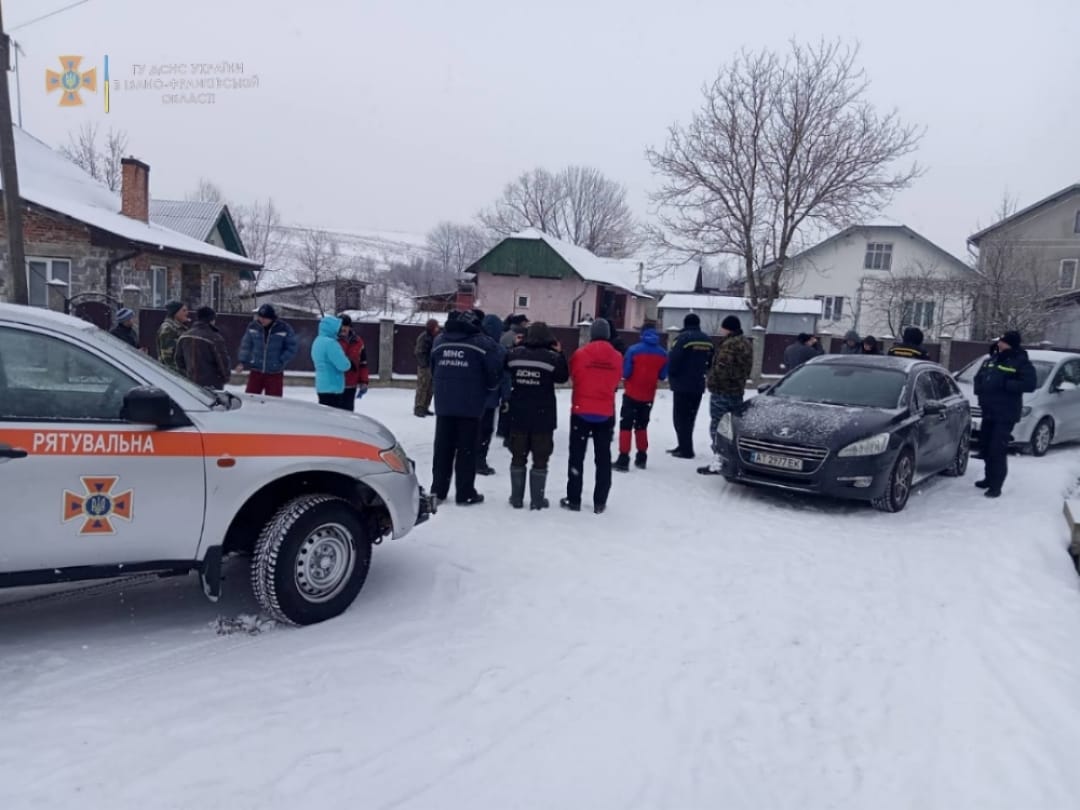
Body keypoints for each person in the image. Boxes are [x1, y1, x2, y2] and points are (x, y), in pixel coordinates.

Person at [430, 310, 503, 506]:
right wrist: (486, 391)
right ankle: (465, 493)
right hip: (470, 406)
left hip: (444, 404)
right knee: (466, 451)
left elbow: (432, 368)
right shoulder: (482, 344)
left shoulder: (439, 341)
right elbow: (493, 374)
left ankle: (438, 490)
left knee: (442, 449)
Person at [561, 318, 623, 514]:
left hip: (581, 411)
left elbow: (574, 375)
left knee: (576, 456)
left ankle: (574, 499)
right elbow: (616, 381)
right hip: (605, 412)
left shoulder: (581, 354)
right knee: (603, 458)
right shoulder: (617, 356)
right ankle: (600, 501)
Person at [506, 322, 569, 509]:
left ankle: (516, 498)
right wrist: (560, 353)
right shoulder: (552, 358)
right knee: (540, 459)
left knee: (518, 456)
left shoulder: (515, 355)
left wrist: (516, 346)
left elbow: (504, 365)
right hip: (543, 416)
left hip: (518, 414)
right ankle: (537, 500)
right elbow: (562, 377)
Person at [973, 330, 1037, 498]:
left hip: (1005, 413)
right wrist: (979, 388)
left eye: (1002, 341)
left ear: (1009, 343)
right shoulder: (993, 358)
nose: (999, 343)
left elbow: (1030, 384)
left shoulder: (1021, 361)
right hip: (988, 411)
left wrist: (1005, 384)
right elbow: (980, 376)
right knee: (986, 446)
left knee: (997, 449)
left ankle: (996, 486)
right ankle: (988, 478)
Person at [699, 316, 754, 475]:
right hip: (737, 389)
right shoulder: (745, 343)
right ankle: (733, 459)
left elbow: (722, 368)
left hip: (723, 390)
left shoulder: (730, 344)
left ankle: (720, 460)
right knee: (732, 427)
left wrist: (712, 382)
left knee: (718, 425)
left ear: (727, 328)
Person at [613, 321, 668, 472]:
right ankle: (641, 457)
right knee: (641, 426)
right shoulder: (663, 353)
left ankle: (623, 458)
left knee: (626, 426)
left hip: (631, 394)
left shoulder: (633, 350)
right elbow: (663, 376)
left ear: (642, 334)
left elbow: (626, 373)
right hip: (648, 396)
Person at [666, 313, 715, 459]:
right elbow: (712, 360)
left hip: (682, 384)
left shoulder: (682, 339)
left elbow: (674, 359)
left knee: (680, 418)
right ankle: (684, 445)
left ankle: (685, 449)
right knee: (690, 417)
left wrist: (672, 375)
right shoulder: (708, 340)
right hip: (698, 384)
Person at [236, 304, 299, 397]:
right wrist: (242, 361)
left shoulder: (284, 328)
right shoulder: (253, 326)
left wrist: (280, 360)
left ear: (272, 318)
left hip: (275, 373)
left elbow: (292, 347)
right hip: (256, 371)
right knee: (251, 399)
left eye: (265, 318)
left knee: (274, 402)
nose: (262, 320)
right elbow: (246, 345)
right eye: (260, 317)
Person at [478, 314, 510, 476]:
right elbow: (504, 377)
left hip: (473, 399)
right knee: (485, 430)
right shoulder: (499, 350)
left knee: (473, 430)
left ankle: (469, 459)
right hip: (490, 398)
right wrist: (506, 397)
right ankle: (480, 461)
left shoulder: (475, 345)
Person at [175, 306, 231, 390]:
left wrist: (187, 374)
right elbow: (222, 361)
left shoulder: (184, 336)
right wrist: (225, 377)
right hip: (211, 384)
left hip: (190, 382)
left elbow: (179, 360)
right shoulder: (214, 338)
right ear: (211, 319)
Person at [311, 314, 353, 408]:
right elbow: (343, 365)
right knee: (334, 418)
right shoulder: (331, 343)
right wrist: (348, 362)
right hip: (333, 387)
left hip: (321, 385)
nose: (339, 329)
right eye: (337, 327)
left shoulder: (317, 341)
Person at [337, 314, 369, 412]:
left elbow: (363, 363)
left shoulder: (358, 342)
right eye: (341, 325)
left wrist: (364, 382)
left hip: (351, 385)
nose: (343, 328)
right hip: (335, 384)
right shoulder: (332, 340)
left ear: (350, 327)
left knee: (348, 414)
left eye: (346, 326)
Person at [414, 318, 440, 417]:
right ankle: (419, 407)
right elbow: (418, 352)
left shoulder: (436, 337)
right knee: (422, 387)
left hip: (433, 366)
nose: (438, 328)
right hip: (424, 367)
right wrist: (424, 364)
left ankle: (425, 407)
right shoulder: (423, 337)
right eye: (436, 326)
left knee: (430, 388)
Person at [156, 300, 188, 371]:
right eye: (184, 310)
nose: (187, 313)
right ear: (175, 312)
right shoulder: (168, 328)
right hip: (172, 373)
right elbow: (167, 357)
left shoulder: (179, 327)